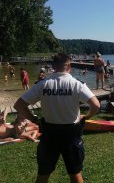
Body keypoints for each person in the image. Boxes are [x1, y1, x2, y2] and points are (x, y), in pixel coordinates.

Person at [13, 53, 100, 183]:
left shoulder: (43, 84)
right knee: (75, 173)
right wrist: (86, 116)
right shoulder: (77, 84)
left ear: (53, 66)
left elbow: (19, 105)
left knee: (43, 174)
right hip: (71, 134)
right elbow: (96, 105)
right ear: (69, 66)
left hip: (49, 133)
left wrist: (34, 118)